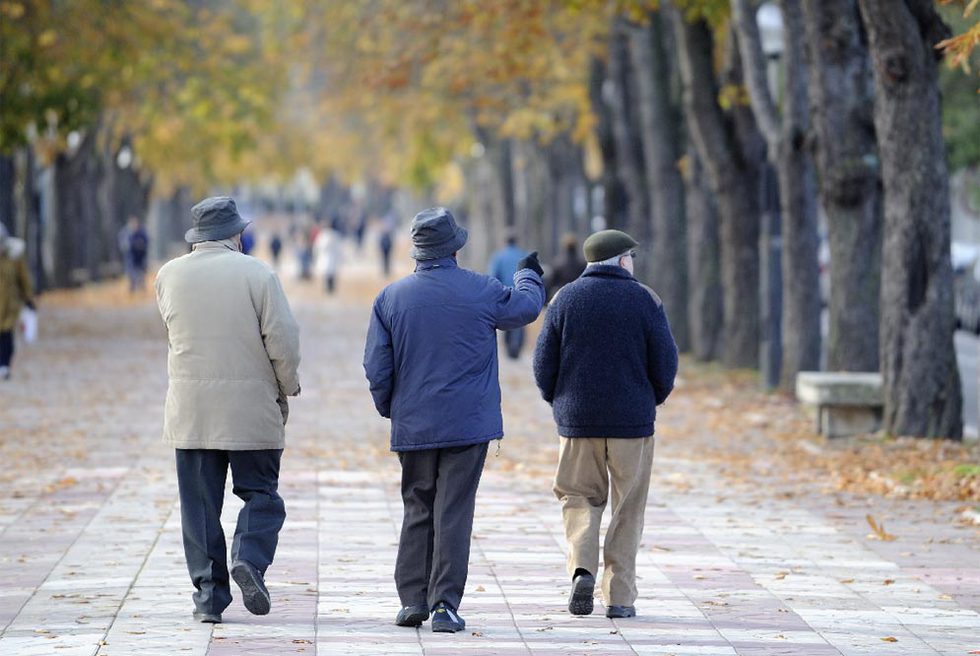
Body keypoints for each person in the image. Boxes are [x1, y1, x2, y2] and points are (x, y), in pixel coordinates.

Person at [363, 207, 544, 633]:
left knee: (417, 505)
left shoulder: (390, 298)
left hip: (415, 424)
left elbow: (376, 366)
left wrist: (393, 407)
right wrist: (528, 274)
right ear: (455, 248)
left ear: (417, 250)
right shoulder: (480, 290)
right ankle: (444, 604)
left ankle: (411, 600)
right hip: (467, 424)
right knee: (454, 510)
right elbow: (526, 308)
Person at [154, 196, 301, 624]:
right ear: (236, 234)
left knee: (199, 508)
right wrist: (287, 388)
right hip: (251, 408)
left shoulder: (167, 276)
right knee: (263, 496)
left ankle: (208, 598)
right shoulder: (258, 274)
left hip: (192, 412)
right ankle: (249, 558)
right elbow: (283, 341)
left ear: (197, 237)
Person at [532, 229, 678, 620]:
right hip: (633, 423)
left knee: (578, 497)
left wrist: (559, 401)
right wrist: (652, 399)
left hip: (578, 422)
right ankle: (619, 597)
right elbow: (665, 364)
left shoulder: (565, 299)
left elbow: (543, 363)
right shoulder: (645, 299)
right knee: (628, 507)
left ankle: (582, 568)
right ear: (622, 261)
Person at [0, 223, 35, 381]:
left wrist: (28, 299)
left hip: (9, 305)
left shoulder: (14, 257)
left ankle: (4, 366)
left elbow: (24, 279)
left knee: (7, 336)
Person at [488, 231, 529, 359]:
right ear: (516, 241)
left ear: (505, 241)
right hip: (521, 293)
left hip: (504, 293)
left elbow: (493, 276)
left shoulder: (499, 257)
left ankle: (509, 348)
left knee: (507, 320)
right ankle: (516, 347)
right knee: (520, 321)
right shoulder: (523, 255)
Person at [547, 233, 586, 302]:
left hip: (562, 297)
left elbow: (551, 283)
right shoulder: (582, 263)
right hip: (579, 297)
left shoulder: (557, 263)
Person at [119, 216, 150, 293]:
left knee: (141, 275)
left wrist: (141, 245)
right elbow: (124, 246)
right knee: (132, 275)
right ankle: (132, 290)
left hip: (141, 257)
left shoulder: (142, 232)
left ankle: (141, 289)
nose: (134, 225)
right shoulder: (126, 233)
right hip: (131, 258)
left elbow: (147, 242)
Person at [314, 219, 344, 294]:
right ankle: (330, 289)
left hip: (328, 258)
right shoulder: (333, 235)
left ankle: (329, 289)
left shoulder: (324, 235)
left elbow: (317, 246)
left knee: (329, 275)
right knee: (330, 275)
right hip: (330, 258)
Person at [378, 209, 397, 278]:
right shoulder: (383, 233)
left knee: (388, 259)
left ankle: (387, 271)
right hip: (384, 246)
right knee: (384, 259)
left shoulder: (388, 233)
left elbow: (390, 242)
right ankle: (385, 271)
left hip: (387, 246)